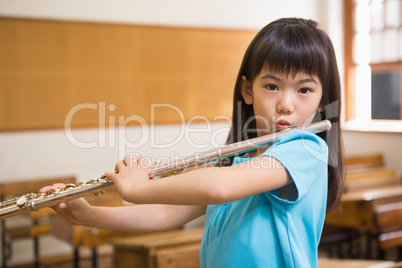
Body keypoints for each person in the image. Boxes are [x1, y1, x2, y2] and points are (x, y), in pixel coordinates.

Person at [40, 17, 344, 268]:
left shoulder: (306, 148)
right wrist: (90, 215)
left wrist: (138, 188)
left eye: (304, 90)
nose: (286, 104)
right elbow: (167, 213)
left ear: (322, 101)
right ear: (248, 90)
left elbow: (219, 187)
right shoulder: (242, 158)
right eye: (272, 86)